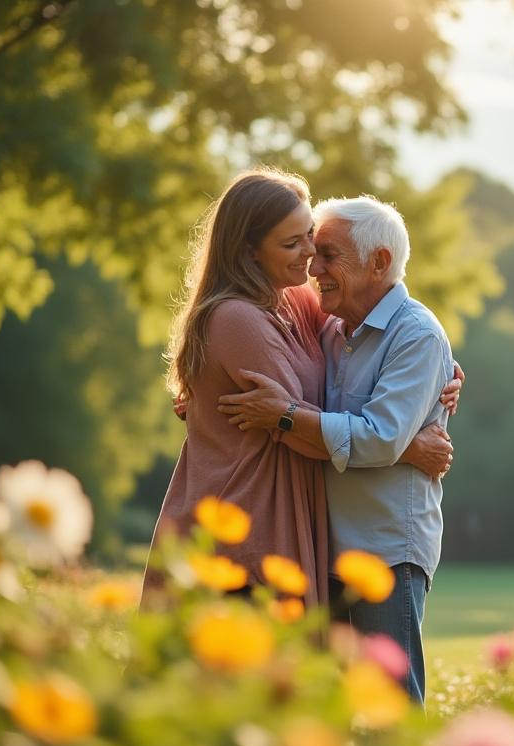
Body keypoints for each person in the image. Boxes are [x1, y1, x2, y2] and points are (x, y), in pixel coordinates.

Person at [145, 170, 455, 612]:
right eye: (292, 244)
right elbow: (296, 424)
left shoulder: (296, 302)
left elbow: (361, 338)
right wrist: (404, 445)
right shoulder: (238, 318)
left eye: (309, 236)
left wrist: (437, 371)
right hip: (244, 518)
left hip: (287, 515)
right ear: (249, 252)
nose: (311, 258)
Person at [217, 196, 455, 704]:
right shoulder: (331, 328)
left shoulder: (416, 335)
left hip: (385, 549)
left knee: (391, 704)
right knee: (328, 708)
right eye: (311, 252)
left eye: (329, 255)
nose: (313, 268)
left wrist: (284, 416)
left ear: (380, 263)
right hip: (323, 548)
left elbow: (378, 437)